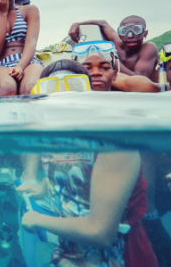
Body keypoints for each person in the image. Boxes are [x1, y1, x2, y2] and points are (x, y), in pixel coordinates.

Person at [73, 40, 171, 267]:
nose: (95, 73)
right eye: (87, 68)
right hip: (87, 224)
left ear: (114, 72)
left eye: (104, 67)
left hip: (144, 223)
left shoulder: (144, 110)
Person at [18, 61, 158, 267]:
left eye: (73, 86)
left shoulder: (113, 144)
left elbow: (100, 232)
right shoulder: (54, 140)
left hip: (121, 259)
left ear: (89, 93)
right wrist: (41, 189)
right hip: (69, 256)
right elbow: (73, 181)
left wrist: (38, 220)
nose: (63, 95)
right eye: (52, 87)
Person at [68, 15, 160, 81]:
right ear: (119, 34)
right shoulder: (116, 43)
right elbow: (103, 23)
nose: (130, 35)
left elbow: (139, 79)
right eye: (124, 31)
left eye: (137, 30)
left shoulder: (148, 48)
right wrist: (77, 24)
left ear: (146, 33)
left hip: (147, 94)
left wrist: (112, 60)